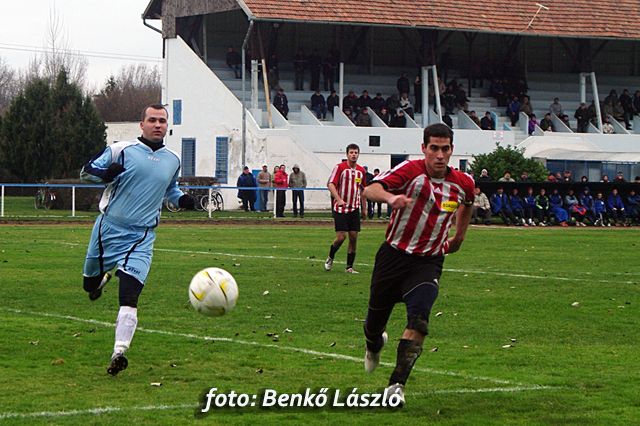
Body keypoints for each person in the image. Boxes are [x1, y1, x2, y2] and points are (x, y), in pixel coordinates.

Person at [361, 123, 474, 405]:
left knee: (419, 320)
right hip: (393, 257)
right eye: (434, 148)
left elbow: (468, 202)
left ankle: (396, 385)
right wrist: (391, 198)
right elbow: (370, 189)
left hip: (428, 262)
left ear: (452, 150)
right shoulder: (410, 171)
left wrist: (459, 237)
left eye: (445, 149)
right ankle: (374, 344)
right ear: (423, 148)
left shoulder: (463, 183)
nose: (439, 155)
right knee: (373, 325)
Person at [80, 104, 196, 376]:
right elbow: (86, 171)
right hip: (108, 231)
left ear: (167, 126)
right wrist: (105, 174)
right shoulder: (121, 150)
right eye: (152, 120)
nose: (157, 125)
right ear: (142, 124)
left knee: (129, 296)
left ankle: (119, 352)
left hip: (142, 237)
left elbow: (170, 190)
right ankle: (101, 279)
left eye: (162, 121)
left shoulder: (173, 159)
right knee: (89, 285)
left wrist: (182, 199)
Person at [325, 144, 367, 274]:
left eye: (356, 152)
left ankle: (349, 267)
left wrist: (364, 208)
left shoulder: (361, 171)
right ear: (347, 154)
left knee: (353, 237)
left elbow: (363, 190)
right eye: (351, 152)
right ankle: (330, 256)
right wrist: (338, 199)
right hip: (340, 208)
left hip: (354, 208)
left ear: (358, 154)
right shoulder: (340, 167)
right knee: (341, 237)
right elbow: (330, 184)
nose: (353, 155)